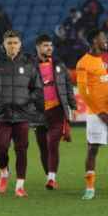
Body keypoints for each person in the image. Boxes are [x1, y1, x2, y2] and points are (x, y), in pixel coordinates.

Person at [0, 30, 44, 198]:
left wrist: (28, 100)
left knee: (21, 150)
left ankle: (20, 185)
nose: (13, 46)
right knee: (1, 149)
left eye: (15, 43)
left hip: (23, 114)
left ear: (20, 44)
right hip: (2, 114)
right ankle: (4, 172)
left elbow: (38, 89)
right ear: (4, 45)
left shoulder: (29, 63)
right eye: (9, 43)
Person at [76, 29, 108, 200]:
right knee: (92, 149)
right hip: (95, 114)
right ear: (93, 40)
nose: (105, 40)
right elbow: (83, 92)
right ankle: (90, 188)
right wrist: (99, 111)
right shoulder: (83, 63)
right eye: (102, 38)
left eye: (106, 38)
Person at [32, 34, 77, 190]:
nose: (49, 48)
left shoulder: (59, 64)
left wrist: (73, 106)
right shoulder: (31, 66)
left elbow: (68, 85)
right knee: (43, 146)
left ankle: (52, 178)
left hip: (57, 110)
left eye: (50, 45)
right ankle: (48, 176)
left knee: (52, 144)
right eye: (45, 45)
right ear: (37, 47)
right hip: (38, 112)